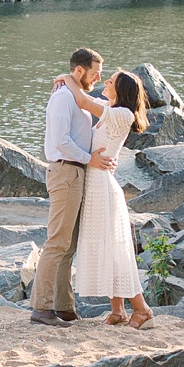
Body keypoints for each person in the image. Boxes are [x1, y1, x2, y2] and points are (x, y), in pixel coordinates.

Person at [58, 68, 156, 329]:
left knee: (114, 251)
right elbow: (87, 102)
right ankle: (118, 311)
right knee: (107, 248)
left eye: (110, 81)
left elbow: (82, 101)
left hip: (103, 188)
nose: (105, 82)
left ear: (120, 90)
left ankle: (142, 310)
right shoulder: (109, 109)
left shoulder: (122, 114)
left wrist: (68, 78)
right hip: (95, 186)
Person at [31, 46, 102, 325]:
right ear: (80, 70)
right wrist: (89, 159)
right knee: (57, 241)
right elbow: (60, 140)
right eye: (95, 73)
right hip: (65, 172)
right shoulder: (63, 98)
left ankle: (64, 306)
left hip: (76, 172)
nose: (98, 79)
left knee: (69, 245)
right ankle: (41, 307)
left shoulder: (77, 96)